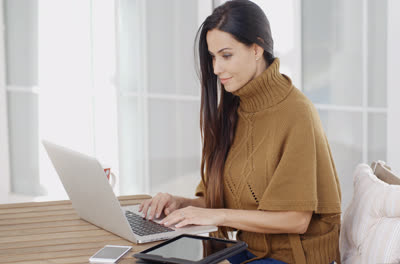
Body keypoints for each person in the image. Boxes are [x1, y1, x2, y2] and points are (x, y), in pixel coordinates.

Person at [139, 0, 341, 263]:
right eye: (212, 57)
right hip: (246, 252)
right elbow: (221, 203)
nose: (215, 69)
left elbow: (297, 219)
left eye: (226, 55)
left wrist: (218, 216)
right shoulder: (234, 108)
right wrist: (181, 205)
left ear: (256, 49)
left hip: (294, 258)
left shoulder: (297, 113)